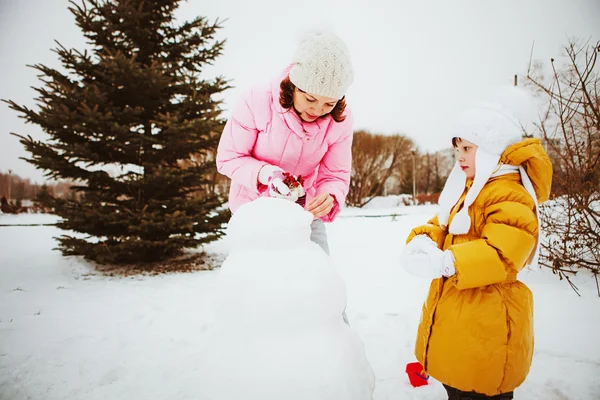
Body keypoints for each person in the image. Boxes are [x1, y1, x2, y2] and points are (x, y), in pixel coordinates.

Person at [400, 101, 553, 399]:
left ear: (491, 149)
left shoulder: (508, 194)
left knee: (478, 391)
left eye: (467, 149)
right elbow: (444, 225)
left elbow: (504, 253)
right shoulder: (472, 189)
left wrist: (451, 262)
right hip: (461, 321)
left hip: (488, 327)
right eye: (457, 150)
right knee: (457, 387)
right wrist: (423, 241)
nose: (460, 158)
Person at [216, 32, 354, 256]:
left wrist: (330, 196)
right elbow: (228, 158)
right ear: (294, 86)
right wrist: (266, 174)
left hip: (305, 213)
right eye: (310, 99)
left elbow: (335, 175)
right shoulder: (255, 101)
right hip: (255, 210)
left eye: (329, 103)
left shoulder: (341, 121)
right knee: (262, 283)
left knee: (317, 277)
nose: (318, 110)